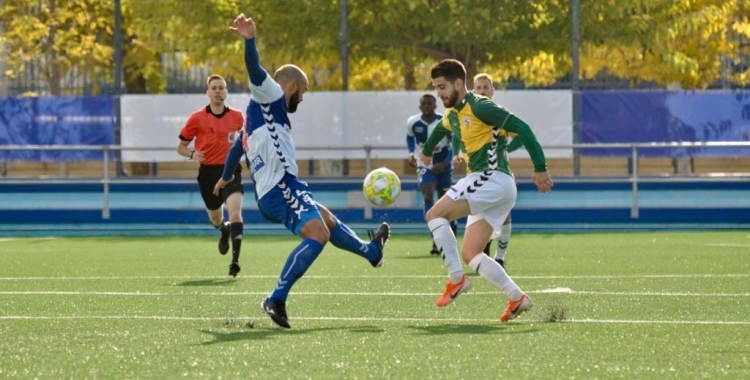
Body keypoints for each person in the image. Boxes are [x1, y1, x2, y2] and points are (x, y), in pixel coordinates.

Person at [214, 13, 390, 329]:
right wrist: (250, 40)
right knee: (318, 233)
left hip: (277, 190)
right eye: (303, 92)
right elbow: (255, 71)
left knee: (326, 220)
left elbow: (236, 148)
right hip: (281, 187)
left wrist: (226, 176)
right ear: (291, 85)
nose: (302, 98)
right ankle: (276, 298)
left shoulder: (256, 116)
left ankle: (371, 252)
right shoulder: (270, 95)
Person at [420, 59, 553, 322]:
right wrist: (426, 151)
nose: (439, 94)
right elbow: (439, 130)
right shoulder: (452, 114)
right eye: (436, 88)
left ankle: (456, 280)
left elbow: (522, 128)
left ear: (459, 83)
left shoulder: (480, 106)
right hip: (494, 186)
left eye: (443, 87)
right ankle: (517, 297)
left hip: (491, 178)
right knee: (471, 253)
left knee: (435, 215)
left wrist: (540, 167)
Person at [177, 74, 245, 278]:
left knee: (235, 214)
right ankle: (222, 230)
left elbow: (247, 141)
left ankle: (235, 261)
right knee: (216, 218)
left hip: (231, 170)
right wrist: (191, 153)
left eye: (221, 87)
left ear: (226, 92)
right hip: (208, 173)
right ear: (208, 93)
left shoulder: (237, 116)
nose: (217, 91)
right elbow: (180, 146)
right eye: (214, 88)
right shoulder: (197, 118)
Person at [470, 73, 520, 268]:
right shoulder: (469, 115)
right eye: (479, 87)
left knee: (505, 215)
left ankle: (499, 256)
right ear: (473, 91)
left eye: (485, 87)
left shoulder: (501, 115)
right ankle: (483, 250)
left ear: (492, 91)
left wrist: (507, 149)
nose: (482, 91)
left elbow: (521, 136)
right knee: (480, 214)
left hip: (500, 173)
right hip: (476, 174)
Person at [405, 93, 458, 255]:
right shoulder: (413, 122)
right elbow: (410, 138)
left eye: (430, 104)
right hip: (424, 162)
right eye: (424, 104)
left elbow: (454, 143)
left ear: (435, 106)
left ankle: (452, 229)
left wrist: (444, 163)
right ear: (420, 107)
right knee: (428, 196)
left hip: (444, 161)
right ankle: (436, 239)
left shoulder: (445, 120)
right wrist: (411, 154)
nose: (427, 106)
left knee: (445, 200)